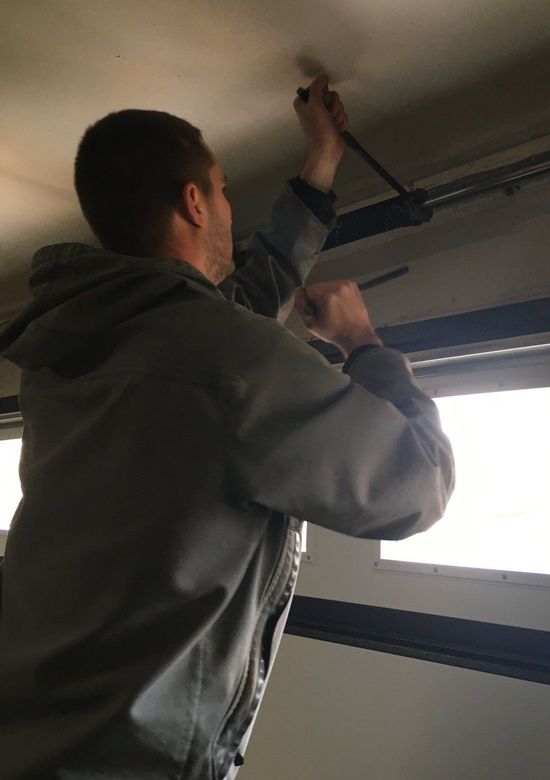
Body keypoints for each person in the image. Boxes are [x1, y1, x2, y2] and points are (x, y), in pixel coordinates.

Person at [0, 75, 454, 779]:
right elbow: (415, 486)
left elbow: (232, 310)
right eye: (220, 191)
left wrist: (321, 165)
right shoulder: (223, 357)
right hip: (128, 762)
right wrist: (367, 347)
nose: (225, 206)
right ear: (193, 202)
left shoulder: (67, 349)